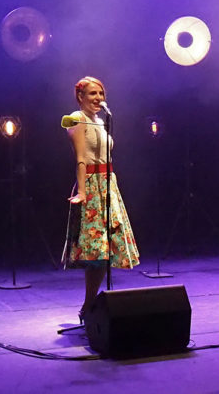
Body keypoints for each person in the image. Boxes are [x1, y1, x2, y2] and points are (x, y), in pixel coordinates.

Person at [61, 76, 139, 321]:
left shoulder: (101, 121)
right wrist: (83, 192)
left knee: (105, 251)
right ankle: (88, 306)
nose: (97, 98)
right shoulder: (76, 118)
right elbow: (81, 159)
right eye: (92, 93)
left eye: (101, 93)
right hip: (93, 187)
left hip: (109, 185)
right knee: (95, 252)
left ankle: (91, 306)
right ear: (80, 97)